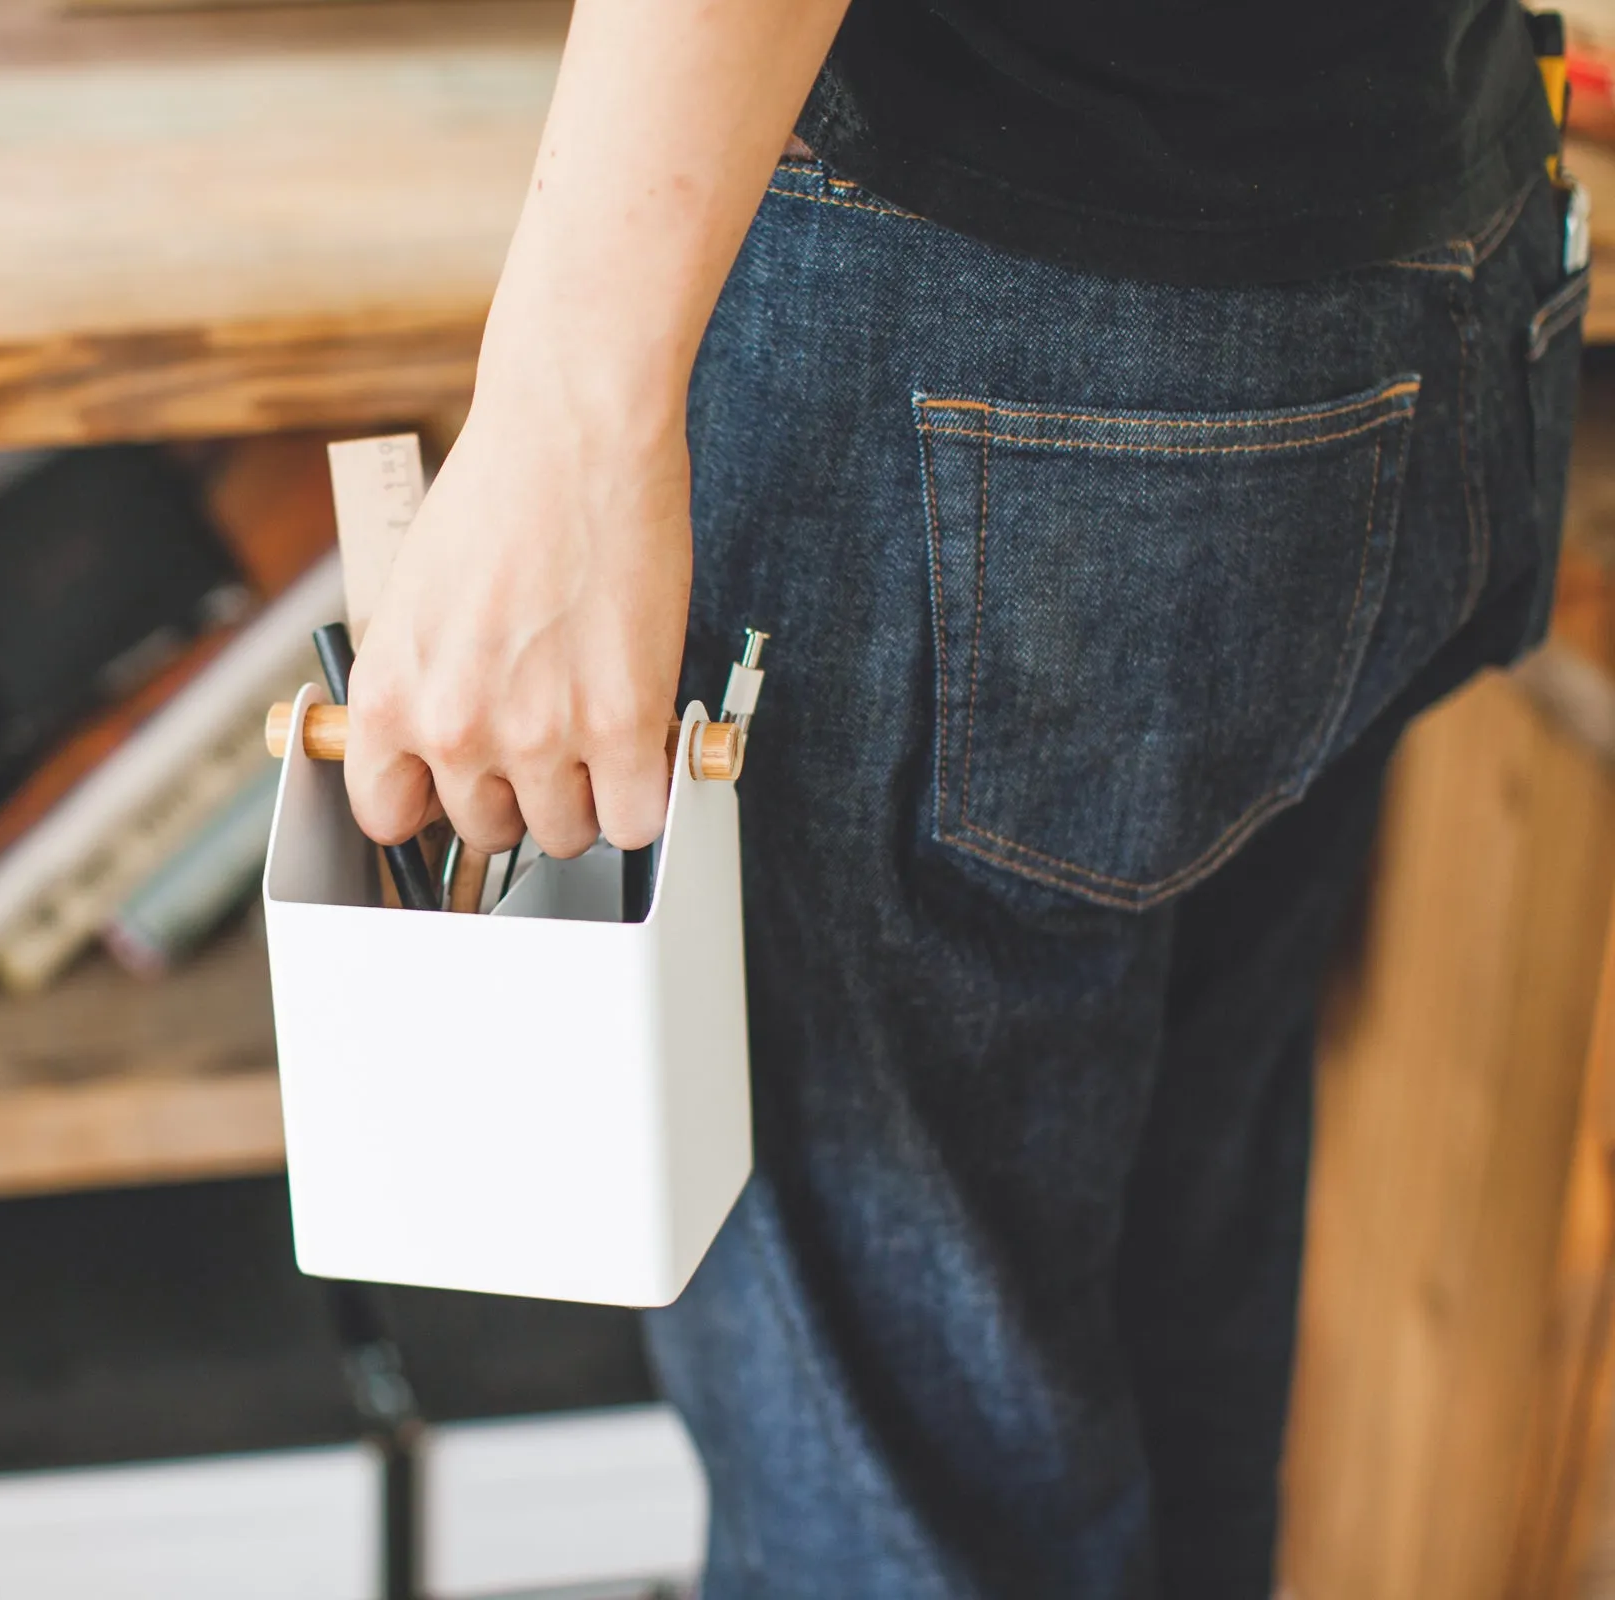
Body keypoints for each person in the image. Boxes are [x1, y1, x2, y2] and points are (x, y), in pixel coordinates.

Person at [340, 1, 1588, 1594]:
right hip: (1413, 248)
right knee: (1165, 1347)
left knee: (904, 1495)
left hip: (996, 333)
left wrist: (564, 426)